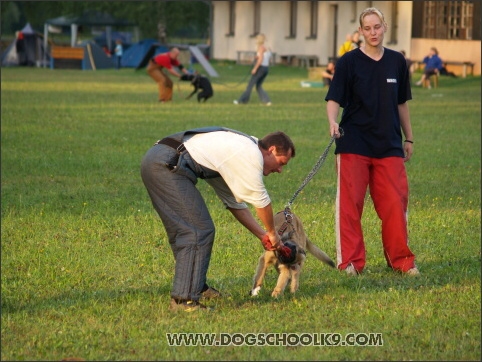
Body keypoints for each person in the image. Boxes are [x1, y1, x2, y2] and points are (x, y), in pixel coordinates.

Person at [140, 127, 296, 312]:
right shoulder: (250, 154)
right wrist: (272, 233)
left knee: (189, 230)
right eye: (281, 163)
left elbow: (233, 203)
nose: (279, 170)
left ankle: (195, 285)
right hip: (166, 164)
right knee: (197, 231)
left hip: (162, 159)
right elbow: (261, 201)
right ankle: (184, 300)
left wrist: (262, 235)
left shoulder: (238, 152)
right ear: (271, 150)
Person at [325, 7, 419, 277]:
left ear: (385, 26)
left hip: (389, 144)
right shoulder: (348, 62)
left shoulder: (397, 62)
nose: (373, 32)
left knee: (394, 205)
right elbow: (334, 99)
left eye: (377, 27)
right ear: (361, 31)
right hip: (353, 142)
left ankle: (402, 261)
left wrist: (408, 136)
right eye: (368, 28)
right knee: (350, 207)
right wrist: (332, 121)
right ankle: (352, 263)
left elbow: (402, 103)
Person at [233, 34, 272, 106]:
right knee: (258, 86)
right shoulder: (268, 48)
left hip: (260, 68)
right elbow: (267, 58)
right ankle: (267, 101)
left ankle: (242, 100)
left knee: (250, 86)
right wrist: (258, 57)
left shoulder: (260, 48)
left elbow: (260, 60)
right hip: (266, 68)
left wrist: (255, 69)